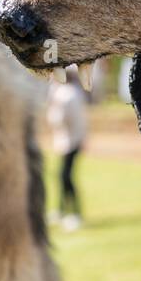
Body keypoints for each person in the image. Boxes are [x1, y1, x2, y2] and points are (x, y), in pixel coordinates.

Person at [46, 67, 89, 231]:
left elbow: (57, 119)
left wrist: (53, 105)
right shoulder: (66, 92)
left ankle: (75, 213)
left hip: (71, 142)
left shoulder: (67, 95)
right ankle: (61, 210)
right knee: (61, 176)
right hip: (66, 141)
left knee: (66, 177)